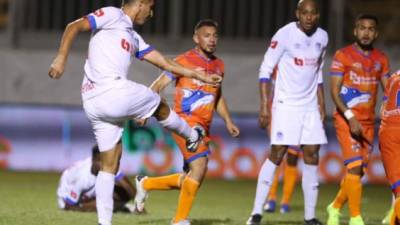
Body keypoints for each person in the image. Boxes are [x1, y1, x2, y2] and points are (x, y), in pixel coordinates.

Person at [48, 1, 222, 225]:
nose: (152, 13)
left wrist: (199, 76)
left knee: (109, 165)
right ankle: (192, 136)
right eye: (151, 7)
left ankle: (104, 223)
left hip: (94, 103)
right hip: (111, 91)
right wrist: (61, 58)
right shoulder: (113, 14)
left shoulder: (133, 37)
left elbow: (164, 63)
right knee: (159, 104)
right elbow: (73, 26)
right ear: (141, 3)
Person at [134, 19, 240, 225]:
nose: (212, 39)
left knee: (191, 176)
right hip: (185, 122)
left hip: (204, 126)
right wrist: (145, 110)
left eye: (215, 35)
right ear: (196, 38)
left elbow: (217, 96)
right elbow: (158, 84)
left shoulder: (219, 65)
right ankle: (179, 220)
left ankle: (146, 184)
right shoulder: (183, 61)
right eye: (206, 35)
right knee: (200, 166)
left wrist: (228, 120)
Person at [246, 0, 328, 224]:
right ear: (297, 14)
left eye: (313, 13)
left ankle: (310, 217)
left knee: (312, 154)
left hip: (310, 106)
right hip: (285, 104)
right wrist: (264, 105)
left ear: (318, 15)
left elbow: (318, 71)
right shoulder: (284, 34)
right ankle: (256, 212)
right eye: (305, 13)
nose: (309, 17)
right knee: (278, 153)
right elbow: (266, 68)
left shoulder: (322, 37)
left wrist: (321, 103)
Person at [326, 14, 390, 225]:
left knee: (358, 171)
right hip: (347, 119)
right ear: (355, 31)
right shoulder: (343, 55)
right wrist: (351, 117)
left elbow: (389, 90)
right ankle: (355, 217)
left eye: (370, 29)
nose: (366, 32)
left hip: (369, 123)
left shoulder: (381, 59)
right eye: (362, 28)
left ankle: (334, 207)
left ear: (376, 33)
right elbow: (334, 92)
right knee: (353, 167)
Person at [57, 145, 140, 213]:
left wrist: (140, 207)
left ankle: (112, 206)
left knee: (124, 192)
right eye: (101, 161)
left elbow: (127, 185)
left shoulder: (109, 164)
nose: (106, 164)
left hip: (91, 194)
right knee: (103, 203)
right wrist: (87, 207)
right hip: (69, 200)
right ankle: (113, 207)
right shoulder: (82, 177)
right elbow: (68, 206)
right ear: (94, 160)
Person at [379, 70, 400, 225]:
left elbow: (382, 109)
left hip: (388, 131)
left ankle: (393, 216)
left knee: (398, 186)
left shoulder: (393, 77)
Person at [264, 147, 300, 214]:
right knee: (276, 157)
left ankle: (285, 202)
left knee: (292, 158)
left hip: (294, 136)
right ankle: (271, 199)